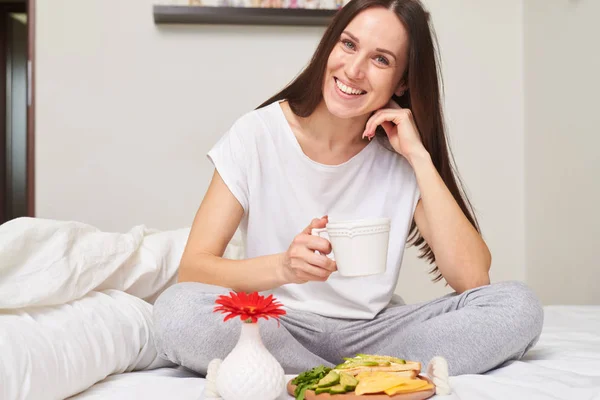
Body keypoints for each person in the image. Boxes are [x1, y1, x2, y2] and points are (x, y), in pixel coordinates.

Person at [153, 0, 543, 377]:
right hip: (277, 324)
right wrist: (283, 267)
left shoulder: (402, 156)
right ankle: (352, 378)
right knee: (177, 310)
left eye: (381, 59)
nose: (354, 69)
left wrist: (419, 158)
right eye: (349, 44)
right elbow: (194, 271)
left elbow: (474, 279)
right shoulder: (256, 134)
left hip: (374, 331)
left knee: (517, 305)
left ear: (403, 81)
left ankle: (335, 374)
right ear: (330, 45)